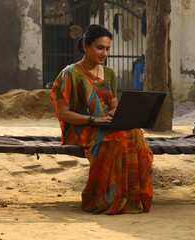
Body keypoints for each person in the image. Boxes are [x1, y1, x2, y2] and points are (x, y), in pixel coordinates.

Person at [50, 24, 153, 214]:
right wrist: (93, 120)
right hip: (82, 128)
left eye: (107, 49)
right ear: (85, 47)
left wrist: (115, 114)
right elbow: (63, 114)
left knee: (135, 135)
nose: (104, 53)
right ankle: (107, 198)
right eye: (100, 48)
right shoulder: (70, 74)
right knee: (115, 140)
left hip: (107, 124)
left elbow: (112, 106)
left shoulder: (110, 74)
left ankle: (131, 197)